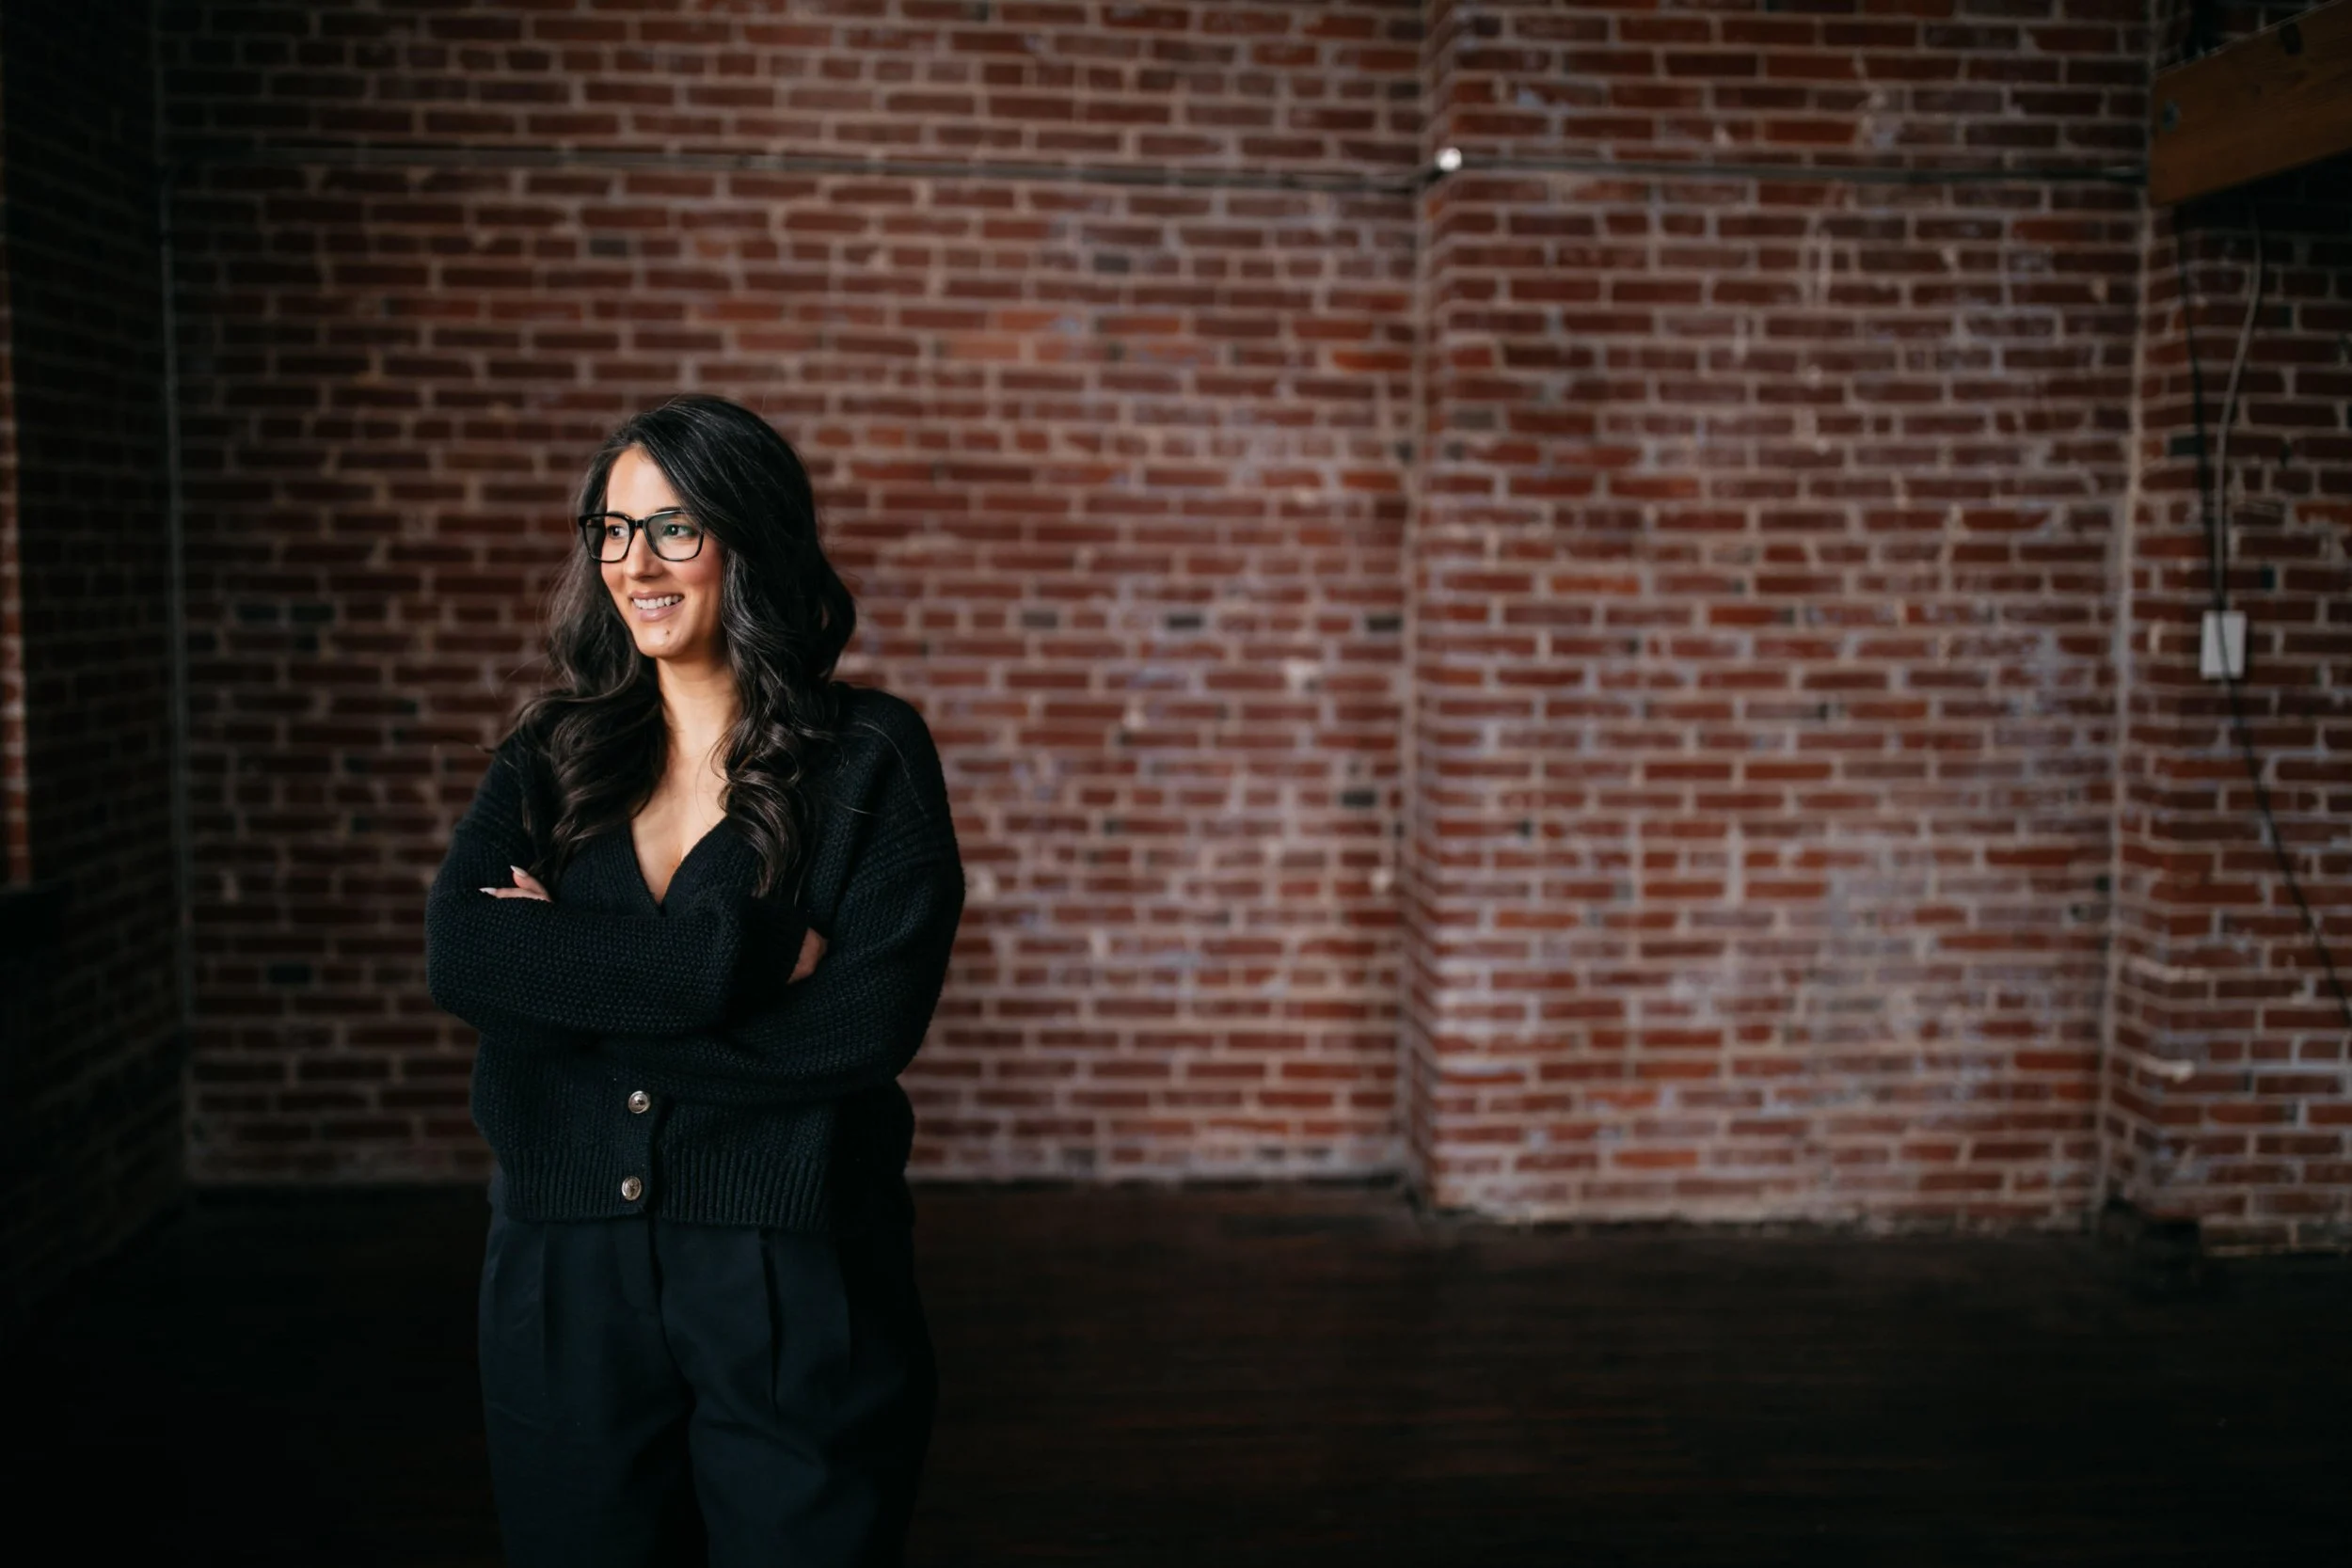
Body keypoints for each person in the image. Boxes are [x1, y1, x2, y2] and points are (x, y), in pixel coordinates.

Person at [421, 393, 966, 1567]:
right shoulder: (550, 752)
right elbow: (464, 955)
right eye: (611, 530)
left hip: (790, 1265)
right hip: (562, 1274)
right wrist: (737, 962)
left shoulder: (871, 755)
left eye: (673, 527)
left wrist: (569, 1001)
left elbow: (860, 1030)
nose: (635, 563)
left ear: (746, 533)